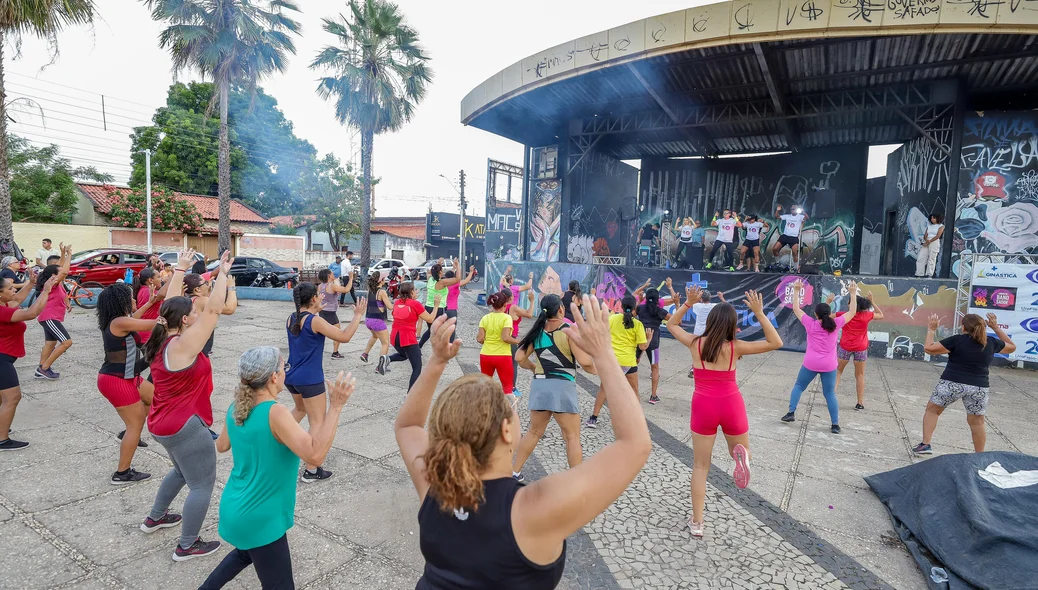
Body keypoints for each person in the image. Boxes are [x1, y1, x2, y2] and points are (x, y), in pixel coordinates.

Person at [393, 303, 651, 589]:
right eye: (510, 407)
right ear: (506, 430)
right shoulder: (531, 508)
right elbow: (635, 444)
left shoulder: (434, 483)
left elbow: (408, 426)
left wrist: (436, 362)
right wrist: (604, 353)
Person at [200, 349, 355, 590]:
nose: (285, 374)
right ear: (274, 377)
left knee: (245, 554)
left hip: (237, 506)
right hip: (261, 516)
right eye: (284, 369)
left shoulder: (237, 407)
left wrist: (299, 412)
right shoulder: (275, 412)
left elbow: (222, 445)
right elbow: (315, 454)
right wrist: (335, 407)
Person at [139, 249, 232, 562]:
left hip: (162, 423)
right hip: (183, 426)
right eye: (192, 311)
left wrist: (179, 269)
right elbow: (215, 311)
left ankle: (155, 516)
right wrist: (223, 276)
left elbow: (171, 303)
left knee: (181, 471)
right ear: (186, 319)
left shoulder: (160, 336)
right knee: (201, 484)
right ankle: (187, 545)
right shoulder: (184, 345)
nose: (196, 312)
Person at [667, 286, 783, 537]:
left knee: (700, 466)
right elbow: (776, 342)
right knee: (739, 448)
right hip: (731, 403)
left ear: (709, 321)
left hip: (703, 405)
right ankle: (740, 457)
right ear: (732, 324)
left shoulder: (696, 343)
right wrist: (760, 313)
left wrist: (687, 303)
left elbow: (672, 326)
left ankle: (697, 523)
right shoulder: (736, 347)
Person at [285, 282, 365, 483]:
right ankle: (311, 469)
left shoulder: (292, 318)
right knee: (318, 422)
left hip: (291, 376)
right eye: (319, 295)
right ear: (312, 298)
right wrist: (357, 316)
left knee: (300, 409)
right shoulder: (314, 321)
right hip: (310, 379)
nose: (322, 297)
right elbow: (344, 337)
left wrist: (316, 311)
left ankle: (275, 439)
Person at [511, 294, 596, 482]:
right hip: (563, 387)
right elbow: (584, 362)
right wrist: (599, 368)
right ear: (561, 310)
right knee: (572, 437)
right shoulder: (568, 330)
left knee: (534, 432)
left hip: (540, 386)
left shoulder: (537, 331)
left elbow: (518, 357)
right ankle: (577, 481)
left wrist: (533, 367)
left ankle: (514, 471)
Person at [914, 313, 1015, 455]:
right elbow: (1011, 347)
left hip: (952, 383)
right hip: (979, 387)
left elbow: (929, 348)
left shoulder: (957, 340)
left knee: (932, 410)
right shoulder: (991, 342)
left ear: (963, 327)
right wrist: (996, 328)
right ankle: (979, 455)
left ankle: (925, 445)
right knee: (977, 422)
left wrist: (931, 329)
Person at [95, 283, 160, 484]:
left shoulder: (118, 321)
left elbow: (135, 319)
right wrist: (175, 312)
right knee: (136, 423)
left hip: (129, 376)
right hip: (117, 381)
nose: (134, 301)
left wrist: (151, 302)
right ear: (121, 302)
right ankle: (122, 473)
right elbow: (156, 324)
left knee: (155, 396)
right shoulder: (120, 322)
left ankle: (129, 431)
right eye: (131, 298)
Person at [781, 280, 858, 434]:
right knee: (829, 394)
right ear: (829, 314)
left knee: (799, 386)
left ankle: (791, 413)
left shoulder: (811, 323)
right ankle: (835, 424)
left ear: (815, 314)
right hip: (829, 365)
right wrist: (853, 293)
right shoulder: (836, 323)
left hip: (811, 363)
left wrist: (796, 291)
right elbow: (852, 312)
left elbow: (796, 308)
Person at [0, 270, 55, 450]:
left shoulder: (5, 303)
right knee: (13, 397)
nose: (14, 289)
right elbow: (31, 313)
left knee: (2, 399)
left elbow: (16, 301)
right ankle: (2, 440)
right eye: (10, 288)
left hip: (5, 358)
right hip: (1, 360)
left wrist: (31, 284)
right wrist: (45, 290)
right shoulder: (1, 311)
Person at [586, 294, 650, 428]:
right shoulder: (638, 324)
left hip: (612, 361)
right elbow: (642, 346)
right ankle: (638, 422)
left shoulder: (613, 318)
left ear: (621, 306)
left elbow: (602, 333)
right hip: (629, 362)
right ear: (634, 308)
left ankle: (593, 418)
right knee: (634, 392)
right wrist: (649, 338)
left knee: (603, 390)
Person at [832, 291, 884, 410]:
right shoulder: (867, 316)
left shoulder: (843, 314)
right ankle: (860, 402)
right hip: (861, 347)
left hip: (845, 346)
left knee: (838, 371)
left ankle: (831, 396)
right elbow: (881, 315)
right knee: (860, 375)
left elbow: (827, 316)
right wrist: (873, 302)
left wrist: (828, 303)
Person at [388, 282, 438, 390]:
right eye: (415, 290)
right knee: (417, 367)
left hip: (395, 337)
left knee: (404, 355)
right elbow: (430, 319)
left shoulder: (397, 303)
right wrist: (436, 306)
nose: (416, 291)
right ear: (411, 292)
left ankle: (387, 359)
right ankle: (410, 395)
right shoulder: (415, 304)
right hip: (408, 338)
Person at [34, 243, 73, 380]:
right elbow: (64, 271)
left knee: (50, 344)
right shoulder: (53, 281)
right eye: (59, 271)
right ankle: (44, 368)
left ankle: (41, 368)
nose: (62, 271)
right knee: (67, 342)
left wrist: (63, 254)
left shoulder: (55, 281)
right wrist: (70, 255)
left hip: (49, 317)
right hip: (49, 317)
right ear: (54, 275)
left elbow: (60, 268)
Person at [184, 272, 238, 357]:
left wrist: (207, 289)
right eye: (205, 283)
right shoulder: (201, 301)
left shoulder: (187, 299)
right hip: (200, 346)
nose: (208, 283)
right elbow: (229, 309)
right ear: (197, 289)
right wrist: (231, 287)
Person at [418, 259, 469, 348]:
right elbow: (458, 279)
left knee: (431, 329)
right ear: (440, 272)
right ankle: (442, 349)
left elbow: (431, 271)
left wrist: (438, 264)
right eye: (442, 270)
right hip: (438, 309)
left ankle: (420, 345)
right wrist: (457, 266)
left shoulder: (429, 278)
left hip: (428, 308)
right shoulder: (441, 283)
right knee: (442, 330)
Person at [477, 291, 520, 396]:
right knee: (507, 387)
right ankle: (509, 411)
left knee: (485, 386)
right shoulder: (506, 318)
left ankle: (484, 410)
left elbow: (479, 338)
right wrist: (520, 341)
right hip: (502, 356)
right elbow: (505, 338)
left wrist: (487, 340)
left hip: (486, 355)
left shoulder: (485, 318)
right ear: (505, 305)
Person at [636, 287, 671, 404]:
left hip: (639, 339)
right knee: (654, 368)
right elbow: (676, 320)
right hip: (653, 342)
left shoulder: (640, 308)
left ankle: (627, 391)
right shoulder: (660, 311)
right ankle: (653, 395)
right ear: (657, 299)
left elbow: (631, 314)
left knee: (633, 364)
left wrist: (639, 301)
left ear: (646, 298)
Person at [360, 271, 394, 374]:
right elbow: (390, 306)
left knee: (375, 336)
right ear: (381, 280)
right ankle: (380, 367)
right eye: (385, 278)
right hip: (377, 320)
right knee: (385, 343)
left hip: (368, 320)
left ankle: (365, 354)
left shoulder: (370, 290)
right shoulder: (382, 292)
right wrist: (397, 302)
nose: (386, 280)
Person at [316, 268, 354, 359]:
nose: (334, 275)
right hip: (330, 313)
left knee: (321, 332)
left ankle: (318, 351)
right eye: (332, 274)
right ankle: (335, 352)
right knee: (338, 333)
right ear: (329, 276)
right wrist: (351, 278)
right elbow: (346, 289)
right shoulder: (331, 286)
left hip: (322, 311)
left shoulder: (320, 286)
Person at [505, 288, 536, 396]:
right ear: (510, 298)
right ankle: (512, 388)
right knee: (513, 364)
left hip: (500, 338)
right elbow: (529, 314)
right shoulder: (513, 307)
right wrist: (532, 301)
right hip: (511, 338)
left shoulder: (500, 307)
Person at [442, 265, 476, 342]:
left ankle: (444, 344)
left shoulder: (443, 284)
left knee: (445, 328)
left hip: (443, 309)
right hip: (452, 310)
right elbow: (466, 280)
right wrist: (471, 272)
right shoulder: (454, 284)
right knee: (452, 329)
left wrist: (455, 267)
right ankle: (450, 345)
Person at [772, 204, 807, 269]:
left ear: (796, 210)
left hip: (793, 237)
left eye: (793, 209)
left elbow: (807, 218)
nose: (792, 210)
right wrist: (777, 210)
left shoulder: (800, 216)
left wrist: (803, 211)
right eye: (791, 209)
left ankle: (795, 268)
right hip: (785, 236)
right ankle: (778, 263)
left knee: (794, 253)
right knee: (775, 249)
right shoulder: (787, 216)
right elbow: (777, 216)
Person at [915, 213, 945, 278]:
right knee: (921, 257)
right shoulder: (929, 226)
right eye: (931, 218)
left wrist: (930, 241)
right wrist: (926, 240)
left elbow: (938, 236)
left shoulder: (941, 226)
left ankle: (929, 274)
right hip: (927, 241)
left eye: (934, 218)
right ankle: (919, 274)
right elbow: (925, 235)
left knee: (931, 258)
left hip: (934, 241)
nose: (932, 219)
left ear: (937, 218)